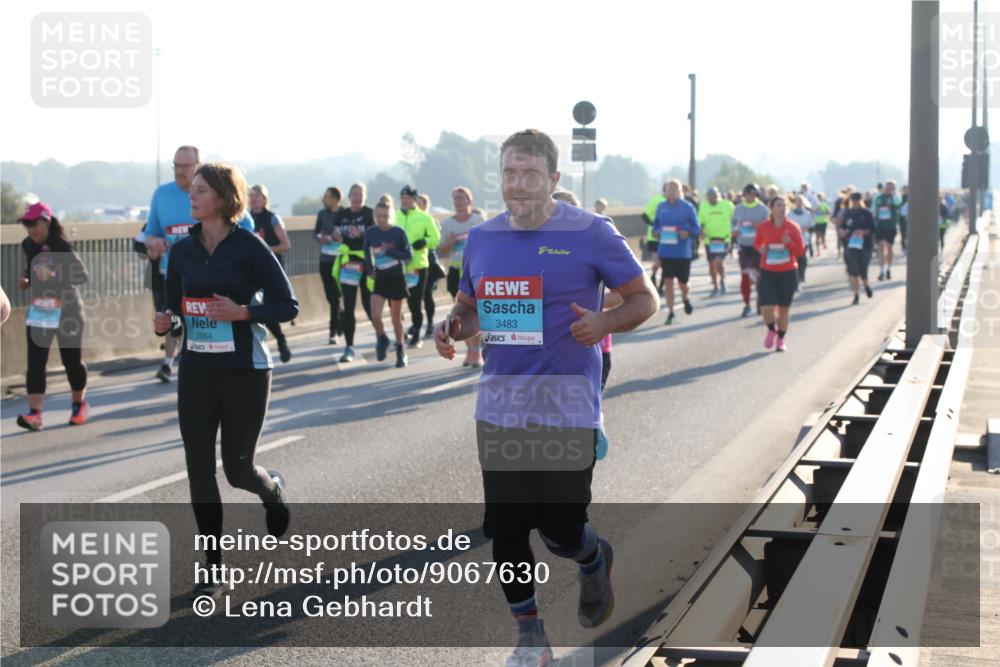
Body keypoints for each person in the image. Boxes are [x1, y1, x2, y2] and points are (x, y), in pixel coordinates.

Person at [434, 129, 658, 667]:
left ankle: (592, 556)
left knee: (560, 529)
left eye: (530, 174)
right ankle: (530, 637)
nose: (518, 184)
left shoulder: (591, 232)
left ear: (553, 179)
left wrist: (604, 322)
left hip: (567, 406)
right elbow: (470, 307)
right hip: (500, 406)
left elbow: (644, 299)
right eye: (509, 173)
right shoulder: (482, 238)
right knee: (506, 528)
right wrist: (454, 325)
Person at [153, 163, 297, 598]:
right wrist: (167, 322)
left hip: (245, 370)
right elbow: (175, 308)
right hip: (197, 370)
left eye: (201, 190)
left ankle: (271, 490)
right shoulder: (182, 251)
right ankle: (213, 566)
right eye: (191, 190)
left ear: (223, 197)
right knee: (198, 468)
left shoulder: (249, 246)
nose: (192, 196)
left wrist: (243, 312)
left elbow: (287, 305)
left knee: (237, 471)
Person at [144, 146, 257, 383]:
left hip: (217, 277)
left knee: (205, 325)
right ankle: (170, 362)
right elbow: (149, 233)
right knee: (172, 315)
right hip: (174, 272)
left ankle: (218, 365)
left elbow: (245, 226)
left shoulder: (220, 196)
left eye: (185, 166)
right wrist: (153, 241)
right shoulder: (161, 195)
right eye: (176, 165)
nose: (179, 171)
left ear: (199, 167)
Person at [16, 201, 90, 431]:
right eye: (26, 224)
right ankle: (34, 414)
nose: (30, 229)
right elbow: (33, 271)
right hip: (41, 309)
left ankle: (79, 405)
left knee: (71, 360)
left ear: (46, 222)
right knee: (35, 361)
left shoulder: (61, 245)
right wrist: (27, 280)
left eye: (34, 223)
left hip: (68, 309)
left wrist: (54, 275)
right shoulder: (28, 245)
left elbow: (82, 275)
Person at [364, 196, 412, 368]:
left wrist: (390, 251)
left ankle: (400, 350)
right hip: (381, 278)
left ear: (390, 216)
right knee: (375, 315)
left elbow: (408, 255)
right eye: (379, 216)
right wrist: (370, 269)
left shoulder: (398, 232)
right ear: (375, 216)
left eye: (385, 216)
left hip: (396, 277)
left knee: (395, 318)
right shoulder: (371, 232)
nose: (382, 219)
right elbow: (366, 251)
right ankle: (382, 337)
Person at [439, 186, 484, 367]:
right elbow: (440, 252)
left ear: (469, 201)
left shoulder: (478, 221)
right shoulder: (447, 225)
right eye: (455, 199)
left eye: (461, 198)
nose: (458, 202)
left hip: (475, 272)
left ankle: (477, 352)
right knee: (460, 314)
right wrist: (450, 243)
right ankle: (469, 350)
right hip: (456, 272)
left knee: (476, 311)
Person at [754, 196, 805, 352]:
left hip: (788, 272)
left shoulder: (793, 227)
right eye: (778, 205)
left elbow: (800, 251)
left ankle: (781, 340)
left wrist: (789, 243)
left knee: (783, 309)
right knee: (766, 308)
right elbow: (757, 243)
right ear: (771, 208)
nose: (782, 208)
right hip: (768, 271)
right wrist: (761, 248)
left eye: (784, 205)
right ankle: (771, 330)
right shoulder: (763, 227)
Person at [249, 184, 292, 363]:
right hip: (251, 272)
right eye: (251, 195)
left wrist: (265, 250)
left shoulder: (273, 219)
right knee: (257, 307)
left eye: (257, 196)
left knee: (268, 307)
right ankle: (270, 341)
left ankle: (280, 339)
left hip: (271, 270)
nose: (253, 199)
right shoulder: (245, 219)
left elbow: (286, 245)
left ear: (264, 199)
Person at [333, 183, 375, 362]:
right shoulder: (342, 215)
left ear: (365, 197)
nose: (358, 198)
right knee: (348, 306)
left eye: (361, 195)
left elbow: (378, 237)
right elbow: (336, 232)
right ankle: (349, 347)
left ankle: (381, 335)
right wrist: (336, 236)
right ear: (349, 196)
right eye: (355, 194)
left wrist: (361, 235)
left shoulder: (370, 214)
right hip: (348, 264)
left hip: (366, 263)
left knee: (368, 304)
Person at [397, 185, 440, 348]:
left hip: (418, 266)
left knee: (415, 302)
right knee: (399, 302)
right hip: (399, 266)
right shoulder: (394, 216)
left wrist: (425, 241)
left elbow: (436, 238)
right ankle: (401, 332)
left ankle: (416, 335)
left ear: (415, 199)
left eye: (408, 198)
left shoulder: (425, 218)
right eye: (402, 198)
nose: (405, 201)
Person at [653, 180, 700, 325]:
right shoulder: (661, 207)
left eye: (675, 190)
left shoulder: (687, 207)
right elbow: (655, 225)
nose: (672, 192)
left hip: (683, 252)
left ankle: (685, 298)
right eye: (669, 189)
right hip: (666, 251)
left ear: (680, 192)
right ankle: (671, 313)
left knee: (683, 284)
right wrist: (655, 232)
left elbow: (697, 227)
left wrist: (688, 232)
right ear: (665, 191)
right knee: (668, 282)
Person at [731, 183, 770, 317]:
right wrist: (734, 231)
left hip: (759, 248)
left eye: (753, 194)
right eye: (747, 194)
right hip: (744, 247)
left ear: (756, 195)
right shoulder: (738, 209)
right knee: (746, 277)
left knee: (760, 277)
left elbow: (768, 226)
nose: (750, 197)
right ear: (744, 195)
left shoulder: (763, 209)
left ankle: (760, 301)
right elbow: (733, 224)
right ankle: (747, 304)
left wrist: (758, 226)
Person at [313, 187, 344, 345]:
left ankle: (333, 331)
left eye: (326, 197)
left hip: (342, 260)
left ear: (335, 199)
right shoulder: (322, 214)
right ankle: (341, 316)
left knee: (336, 297)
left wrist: (342, 237)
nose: (323, 199)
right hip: (325, 260)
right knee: (331, 297)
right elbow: (315, 232)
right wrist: (320, 238)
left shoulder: (345, 214)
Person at [416, 193, 445, 340]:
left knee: (427, 294)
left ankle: (429, 323)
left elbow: (437, 240)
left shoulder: (431, 220)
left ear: (427, 205)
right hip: (414, 262)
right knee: (414, 296)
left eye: (421, 203)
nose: (418, 206)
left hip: (430, 262)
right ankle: (415, 324)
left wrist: (425, 241)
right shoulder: (412, 220)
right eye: (417, 203)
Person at [698, 186, 734, 296]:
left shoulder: (727, 205)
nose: (711, 199)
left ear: (718, 196)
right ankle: (715, 286)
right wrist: (701, 231)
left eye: (713, 196)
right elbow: (700, 222)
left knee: (719, 261)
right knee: (711, 264)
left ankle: (722, 280)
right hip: (710, 241)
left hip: (724, 239)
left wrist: (734, 234)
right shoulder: (703, 206)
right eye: (709, 197)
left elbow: (735, 219)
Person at [840, 192, 876, 305]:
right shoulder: (847, 213)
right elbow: (842, 227)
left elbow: (873, 228)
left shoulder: (867, 213)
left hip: (865, 245)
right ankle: (856, 294)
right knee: (854, 271)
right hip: (851, 246)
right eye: (853, 200)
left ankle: (866, 285)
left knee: (863, 269)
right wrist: (843, 232)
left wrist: (863, 232)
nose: (855, 202)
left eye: (857, 200)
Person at [871, 179, 901, 281]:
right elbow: (873, 209)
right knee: (881, 247)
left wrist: (894, 192)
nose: (888, 188)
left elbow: (898, 203)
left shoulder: (894, 197)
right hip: (880, 226)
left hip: (891, 226)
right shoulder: (878, 197)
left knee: (889, 248)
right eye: (887, 186)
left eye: (891, 187)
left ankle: (888, 268)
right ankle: (881, 270)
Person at [642, 184, 668, 289]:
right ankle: (653, 276)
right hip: (654, 237)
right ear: (664, 190)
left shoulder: (676, 203)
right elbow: (644, 216)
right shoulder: (656, 200)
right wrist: (654, 226)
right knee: (658, 261)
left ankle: (661, 286)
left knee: (665, 263)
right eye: (669, 190)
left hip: (669, 237)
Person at [787, 194, 813, 284]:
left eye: (800, 201)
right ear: (794, 202)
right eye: (797, 201)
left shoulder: (807, 214)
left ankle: (801, 274)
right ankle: (795, 274)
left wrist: (805, 228)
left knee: (802, 257)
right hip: (793, 239)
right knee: (795, 257)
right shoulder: (790, 214)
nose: (799, 203)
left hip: (804, 238)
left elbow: (811, 225)